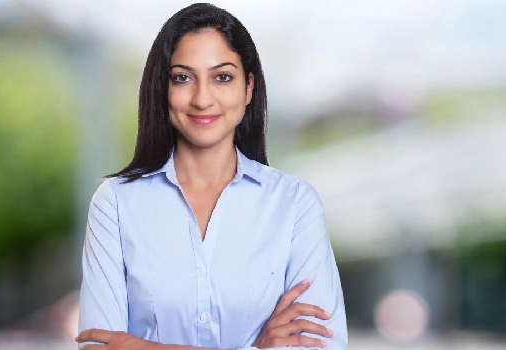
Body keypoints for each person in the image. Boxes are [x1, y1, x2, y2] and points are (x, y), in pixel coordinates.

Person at [76, 3, 348, 350]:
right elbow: (98, 346)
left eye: (222, 77)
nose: (202, 98)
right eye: (183, 78)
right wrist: (256, 347)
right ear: (163, 89)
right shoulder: (115, 203)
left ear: (248, 88)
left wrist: (141, 346)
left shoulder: (294, 205)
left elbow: (322, 346)